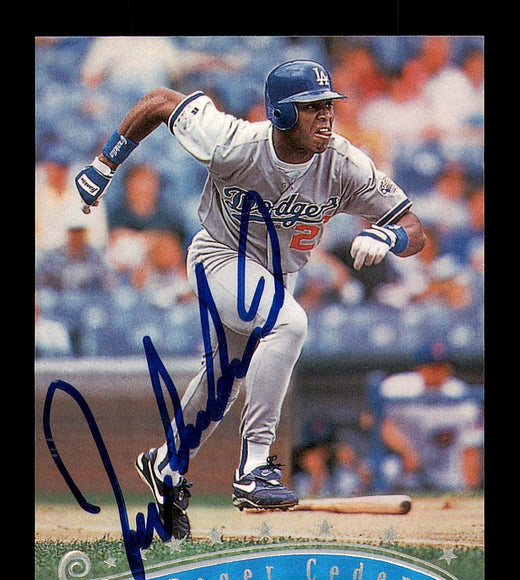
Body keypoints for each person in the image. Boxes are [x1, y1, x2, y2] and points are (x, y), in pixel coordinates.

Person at [74, 59, 425, 539]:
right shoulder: (233, 142)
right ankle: (255, 466)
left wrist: (390, 237)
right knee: (289, 323)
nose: (326, 115)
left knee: (223, 380)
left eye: (328, 105)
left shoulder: (344, 163)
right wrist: (105, 163)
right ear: (281, 113)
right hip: (219, 254)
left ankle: (166, 464)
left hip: (278, 274)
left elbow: (413, 226)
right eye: (311, 107)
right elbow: (158, 101)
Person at [371, 340, 483, 492]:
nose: (438, 372)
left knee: (456, 484)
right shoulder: (397, 387)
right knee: (386, 469)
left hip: (444, 467)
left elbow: (470, 448)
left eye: (442, 366)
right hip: (405, 464)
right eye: (431, 366)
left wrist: (470, 489)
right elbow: (375, 420)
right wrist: (405, 450)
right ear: (419, 368)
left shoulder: (462, 396)